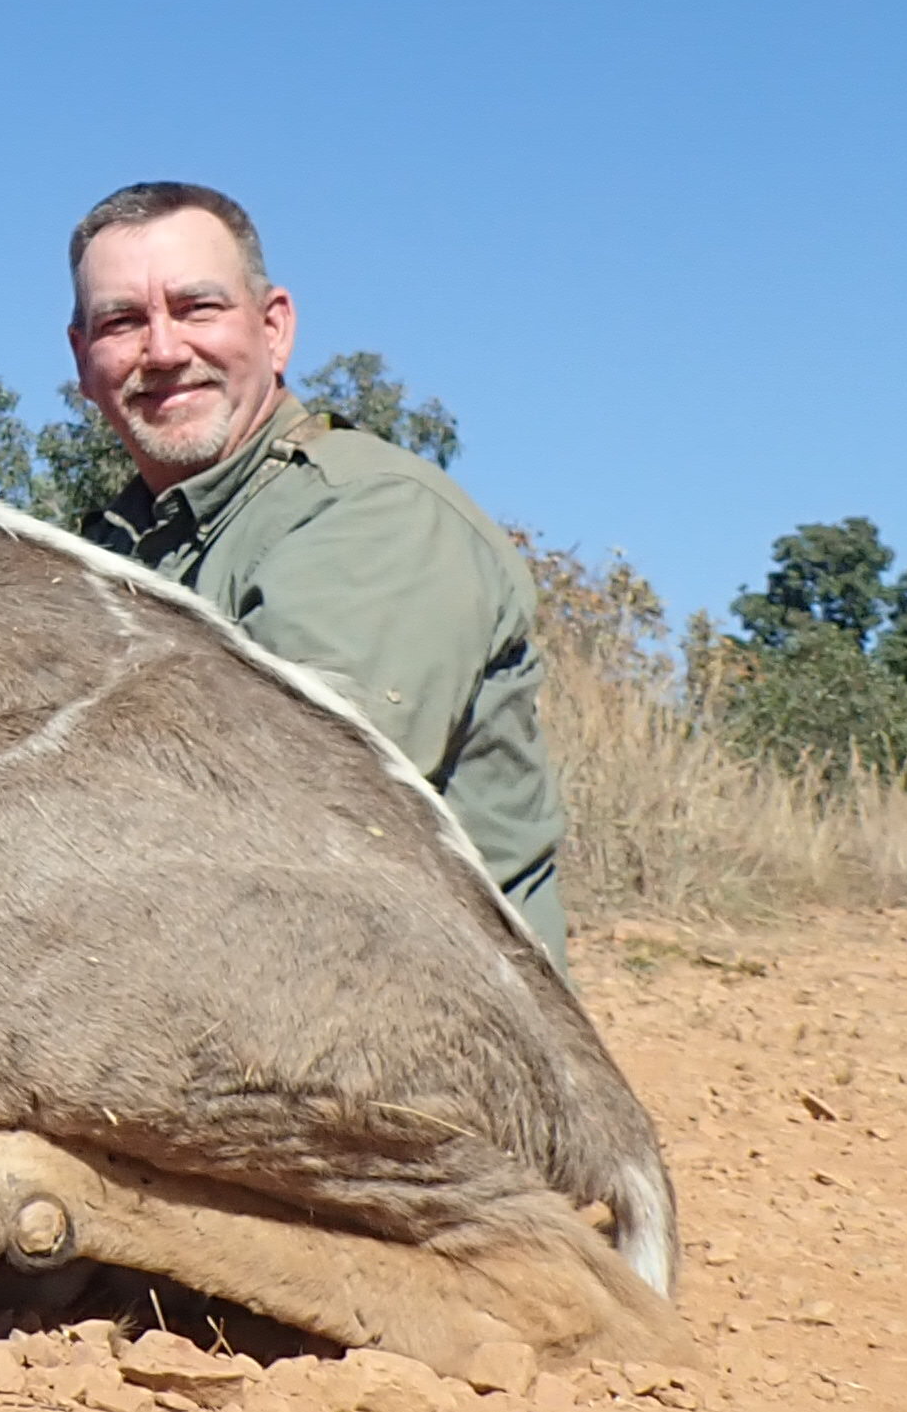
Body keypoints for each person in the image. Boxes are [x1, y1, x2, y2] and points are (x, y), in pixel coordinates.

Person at [65, 180, 568, 959]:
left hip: (408, 1044)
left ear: (274, 329)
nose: (163, 351)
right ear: (83, 358)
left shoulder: (372, 515)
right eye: (122, 322)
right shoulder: (119, 546)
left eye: (198, 309)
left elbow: (286, 827)